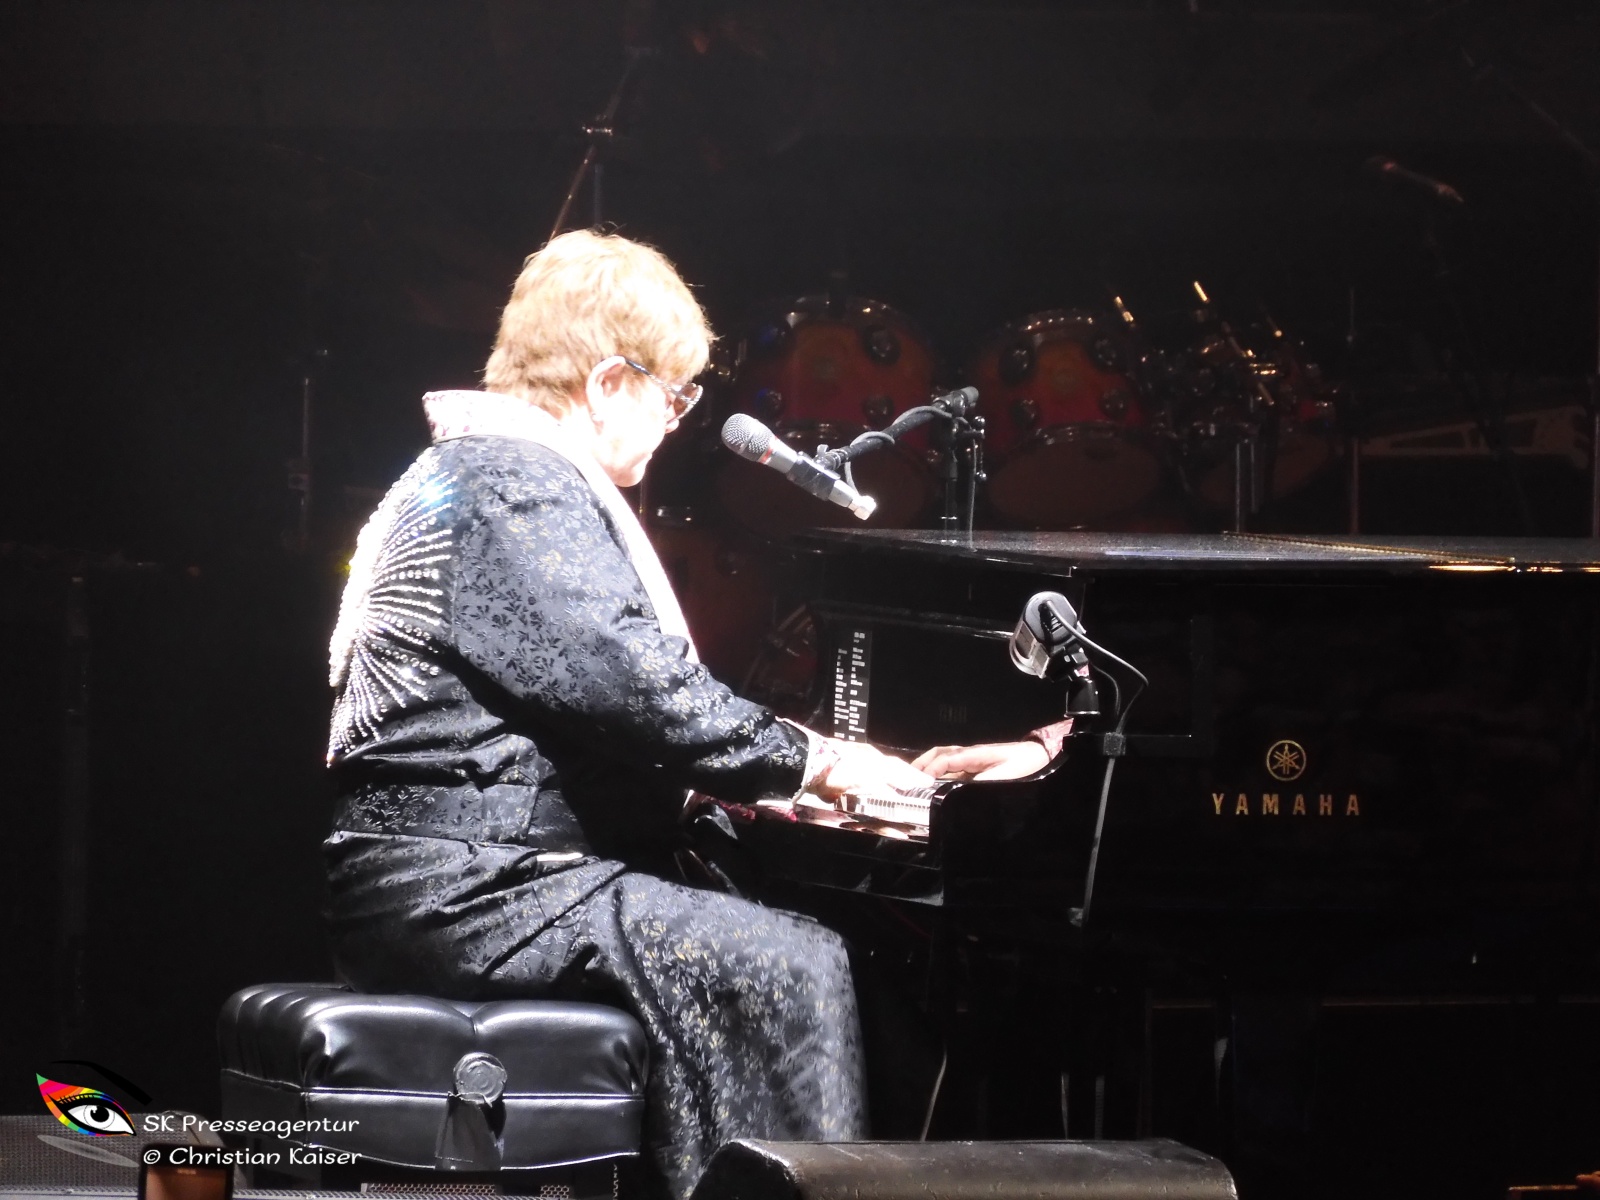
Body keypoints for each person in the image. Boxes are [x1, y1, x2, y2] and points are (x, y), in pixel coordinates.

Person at [322, 229, 932, 1200]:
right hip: (469, 889)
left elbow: (588, 710)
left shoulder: (472, 474)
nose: (676, 424)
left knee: (771, 931)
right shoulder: (512, 485)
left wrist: (774, 787)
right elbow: (637, 689)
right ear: (609, 382)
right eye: (674, 397)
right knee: (788, 964)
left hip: (457, 875)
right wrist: (824, 764)